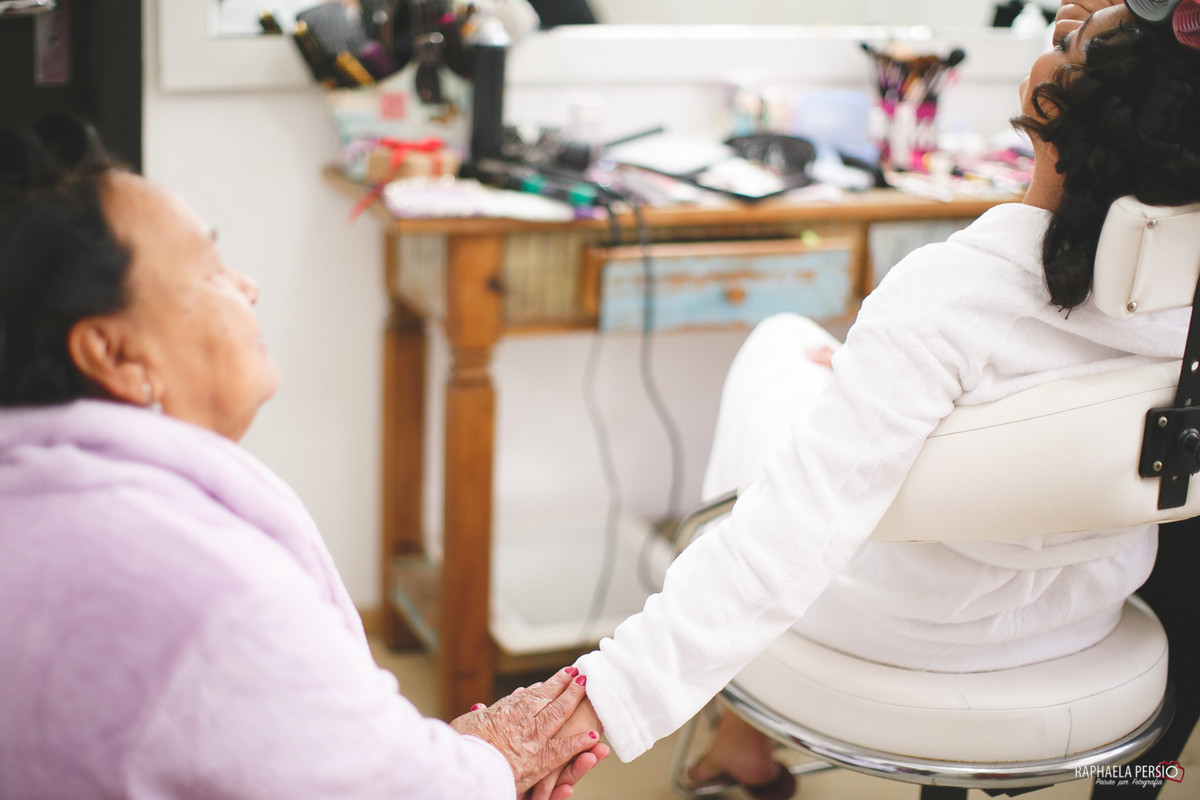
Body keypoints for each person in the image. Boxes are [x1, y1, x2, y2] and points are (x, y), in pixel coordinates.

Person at [523, 2, 1200, 798]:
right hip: (1077, 614)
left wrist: (592, 703)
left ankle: (737, 735)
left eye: (1073, 38)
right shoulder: (1173, 300)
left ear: (1059, 112)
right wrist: (870, 376)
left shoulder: (950, 297)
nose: (1066, 17)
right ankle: (739, 734)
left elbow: (780, 539)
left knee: (776, 346)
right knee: (822, 376)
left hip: (911, 624)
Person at [0, 113, 608, 800]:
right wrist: (489, 763)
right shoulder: (198, 586)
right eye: (208, 271)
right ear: (114, 353)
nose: (247, 285)